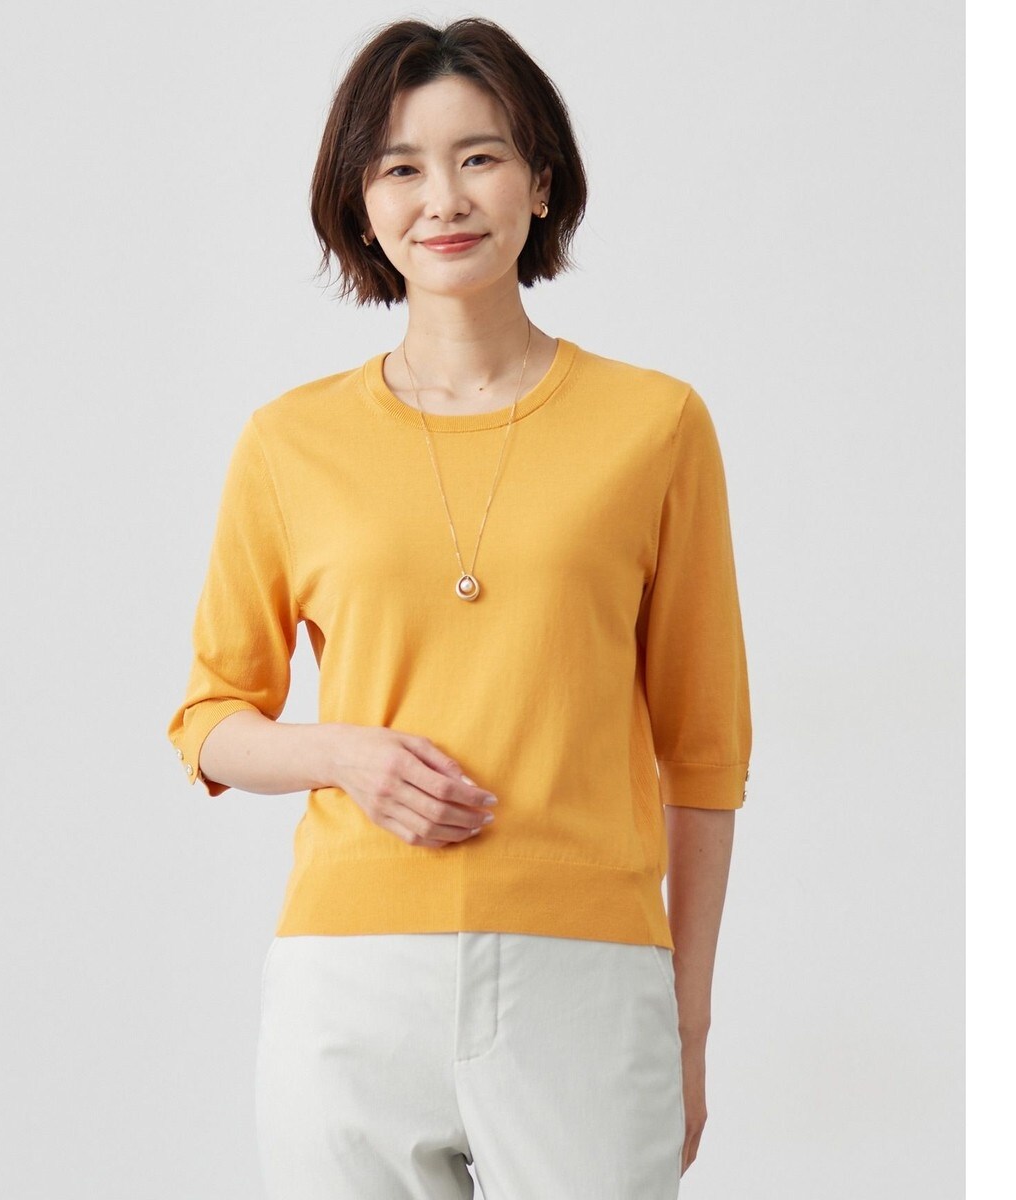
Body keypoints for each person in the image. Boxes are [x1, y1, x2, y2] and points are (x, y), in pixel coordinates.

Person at [166, 15, 752, 1199]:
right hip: (350, 980)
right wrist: (345, 755)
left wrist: (687, 1025)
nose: (443, 197)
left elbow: (703, 752)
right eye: (400, 167)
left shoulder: (655, 425)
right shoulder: (289, 441)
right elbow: (210, 719)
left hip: (587, 978)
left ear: (542, 181)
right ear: (361, 203)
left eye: (480, 156)